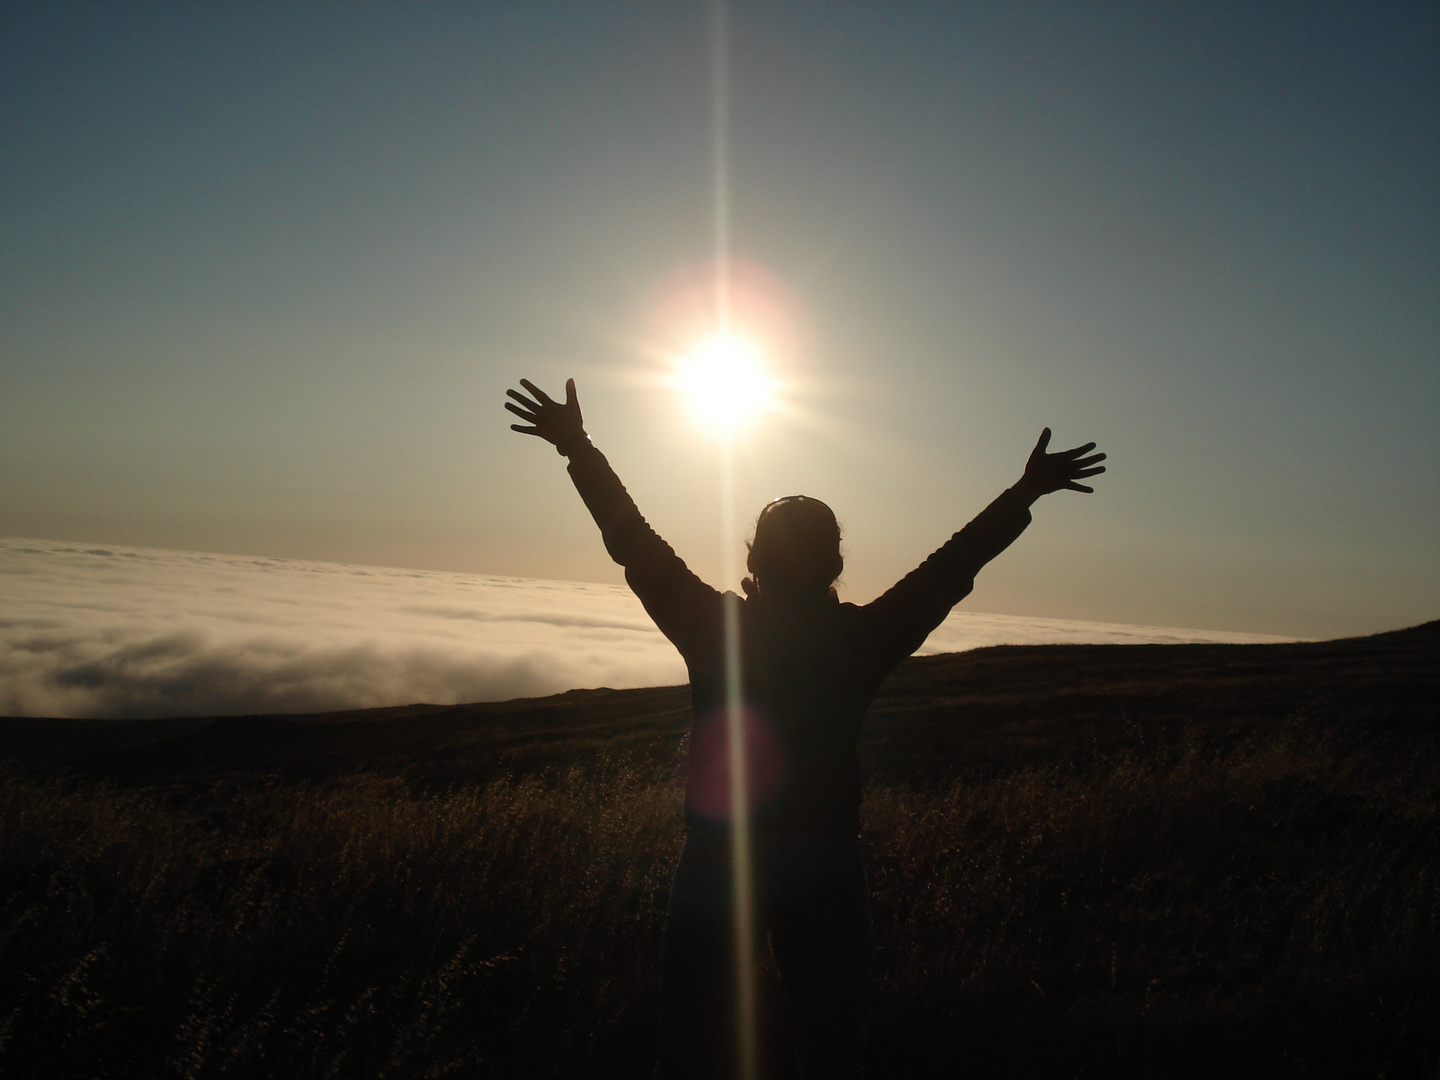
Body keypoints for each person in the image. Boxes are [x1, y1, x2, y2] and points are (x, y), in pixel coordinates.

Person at [505, 378, 1105, 1079]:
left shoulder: (714, 629)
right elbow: (953, 567)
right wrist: (1023, 493)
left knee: (691, 1047)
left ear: (752, 559)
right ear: (836, 565)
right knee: (830, 1048)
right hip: (825, 862)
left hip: (719, 863)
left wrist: (577, 447)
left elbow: (633, 543)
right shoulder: (864, 638)